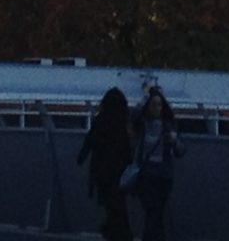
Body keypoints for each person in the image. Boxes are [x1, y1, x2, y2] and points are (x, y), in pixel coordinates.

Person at [75, 86, 135, 241]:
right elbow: (126, 149)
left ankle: (112, 232)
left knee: (110, 206)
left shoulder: (101, 120)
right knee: (119, 206)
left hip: (102, 172)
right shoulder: (123, 122)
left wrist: (81, 158)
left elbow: (90, 141)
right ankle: (120, 233)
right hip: (119, 172)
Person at [131, 87, 182, 241]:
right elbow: (133, 116)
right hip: (150, 175)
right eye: (153, 104)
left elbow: (180, 151)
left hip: (159, 176)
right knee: (155, 211)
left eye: (159, 104)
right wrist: (144, 97)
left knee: (154, 212)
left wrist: (175, 142)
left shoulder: (168, 125)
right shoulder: (144, 122)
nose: (157, 108)